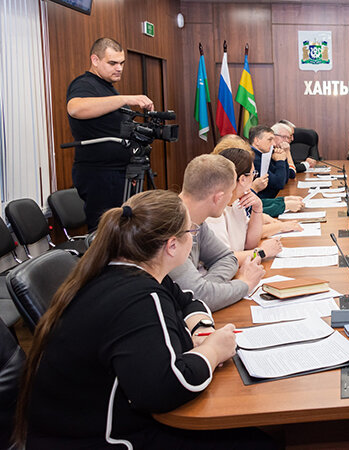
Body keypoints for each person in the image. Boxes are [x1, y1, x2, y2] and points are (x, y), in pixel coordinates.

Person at [14, 190, 276, 449]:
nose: (193, 238)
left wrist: (203, 329)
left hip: (84, 425)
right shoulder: (139, 298)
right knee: (256, 442)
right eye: (191, 233)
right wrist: (213, 351)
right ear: (172, 245)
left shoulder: (122, 269)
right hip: (101, 439)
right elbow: (169, 387)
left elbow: (189, 300)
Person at [67, 37, 155, 231]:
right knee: (105, 234)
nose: (119, 68)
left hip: (119, 173)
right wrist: (125, 98)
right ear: (95, 60)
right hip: (99, 174)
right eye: (112, 63)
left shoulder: (108, 89)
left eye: (122, 63)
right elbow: (75, 108)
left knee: (124, 231)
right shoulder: (84, 84)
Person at [169, 155, 265, 311]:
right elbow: (199, 297)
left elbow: (227, 258)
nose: (231, 198)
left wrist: (209, 287)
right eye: (231, 192)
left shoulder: (196, 219)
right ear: (219, 198)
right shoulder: (171, 226)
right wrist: (245, 284)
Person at [205, 148, 302, 266]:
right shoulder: (214, 212)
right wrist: (262, 252)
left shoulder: (237, 202)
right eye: (253, 174)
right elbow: (223, 259)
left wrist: (257, 209)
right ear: (242, 179)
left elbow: (249, 243)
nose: (254, 178)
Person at [213, 135, 303, 217]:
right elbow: (249, 214)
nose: (273, 144)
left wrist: (282, 201)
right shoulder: (224, 198)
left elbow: (254, 205)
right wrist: (283, 206)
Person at [250, 125, 290, 199]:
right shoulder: (254, 159)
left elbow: (286, 178)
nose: (274, 144)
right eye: (270, 140)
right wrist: (280, 161)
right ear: (257, 141)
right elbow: (279, 184)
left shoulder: (264, 154)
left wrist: (283, 158)